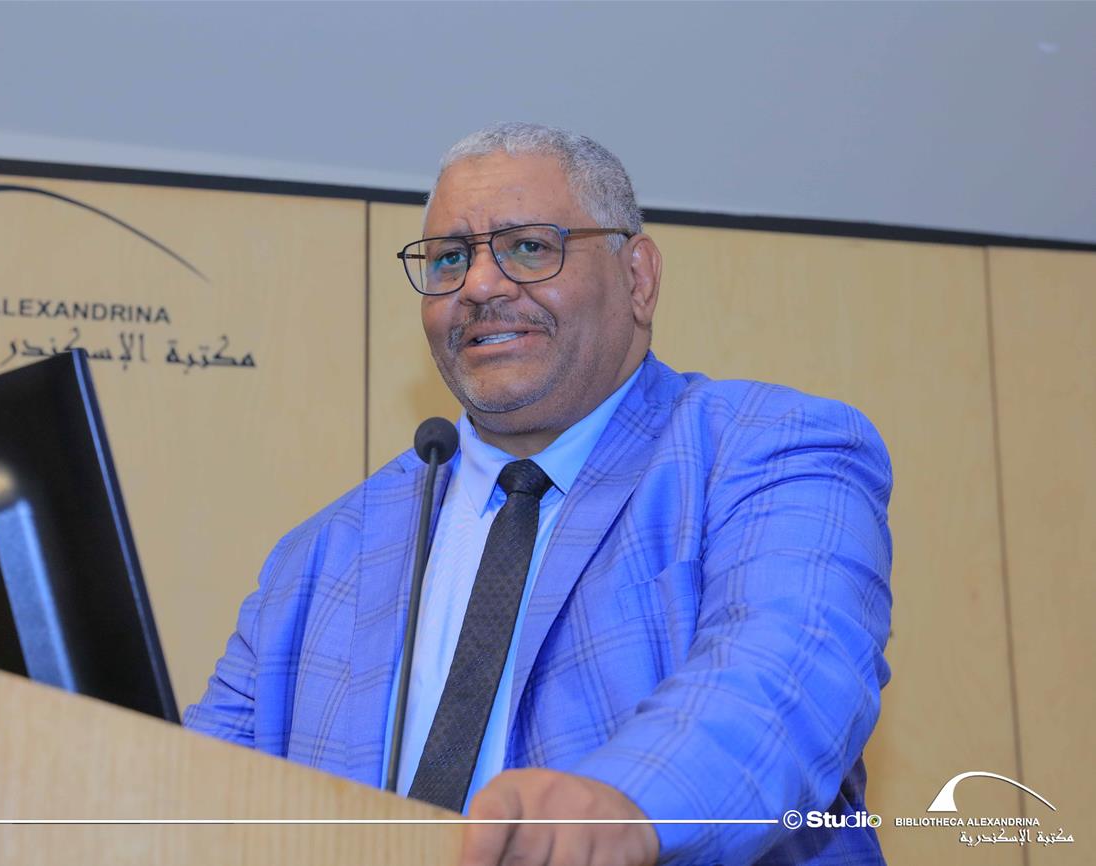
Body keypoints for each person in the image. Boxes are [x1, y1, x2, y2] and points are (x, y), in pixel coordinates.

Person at [185, 122, 893, 866]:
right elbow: (192, 795)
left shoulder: (768, 451)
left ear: (638, 279)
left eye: (528, 247)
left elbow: (788, 674)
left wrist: (623, 807)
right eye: (449, 258)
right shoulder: (320, 556)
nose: (479, 285)